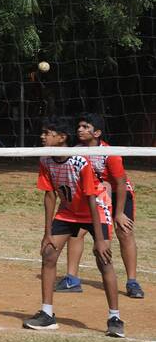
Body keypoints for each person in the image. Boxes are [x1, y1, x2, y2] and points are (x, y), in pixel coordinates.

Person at [23, 116, 123, 337]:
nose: (42, 136)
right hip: (68, 212)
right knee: (48, 254)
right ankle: (47, 314)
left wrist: (98, 238)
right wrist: (47, 233)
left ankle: (114, 317)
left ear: (61, 138)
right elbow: (49, 196)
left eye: (47, 133)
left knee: (103, 258)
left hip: (94, 210)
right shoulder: (46, 159)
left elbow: (90, 198)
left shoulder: (80, 161)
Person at [60, 115, 143, 300]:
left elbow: (121, 184)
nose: (80, 130)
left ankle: (132, 282)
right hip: (95, 193)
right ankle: (72, 279)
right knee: (78, 230)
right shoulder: (76, 151)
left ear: (97, 133)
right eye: (79, 126)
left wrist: (119, 213)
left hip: (119, 192)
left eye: (85, 126)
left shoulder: (109, 152)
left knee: (124, 231)